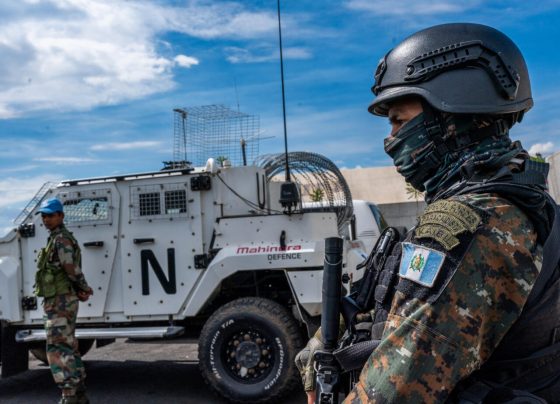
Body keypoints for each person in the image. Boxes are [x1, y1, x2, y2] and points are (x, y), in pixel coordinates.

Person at [296, 23, 560, 403]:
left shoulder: (471, 226)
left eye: (399, 121)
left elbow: (395, 390)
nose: (390, 139)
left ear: (452, 117)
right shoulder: (518, 201)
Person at [34, 198, 94, 404]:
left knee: (58, 347)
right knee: (69, 345)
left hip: (60, 300)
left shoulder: (60, 239)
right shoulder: (57, 238)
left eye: (51, 215)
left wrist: (84, 287)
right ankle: (79, 394)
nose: (46, 219)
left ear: (61, 215)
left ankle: (69, 396)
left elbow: (71, 268)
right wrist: (80, 289)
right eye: (44, 216)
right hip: (61, 298)